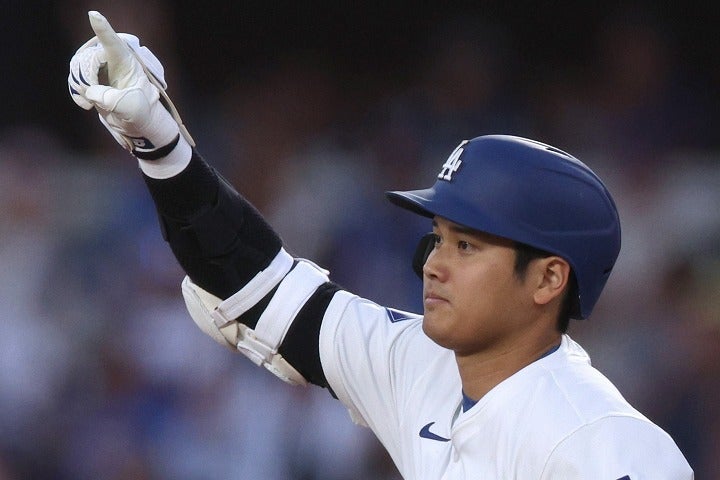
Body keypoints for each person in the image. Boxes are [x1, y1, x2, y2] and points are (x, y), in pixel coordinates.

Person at [68, 11, 694, 479]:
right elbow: (251, 282)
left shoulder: (602, 440)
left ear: (548, 280)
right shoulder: (416, 363)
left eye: (468, 246)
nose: (435, 263)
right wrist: (158, 141)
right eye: (439, 238)